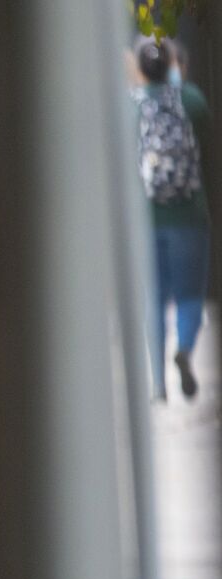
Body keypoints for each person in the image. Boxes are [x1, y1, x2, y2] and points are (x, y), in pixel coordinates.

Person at [136, 38, 211, 400]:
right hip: (190, 214)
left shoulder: (131, 106)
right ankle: (184, 349)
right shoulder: (193, 100)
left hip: (146, 218)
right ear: (173, 65)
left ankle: (158, 384)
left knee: (153, 298)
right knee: (189, 295)